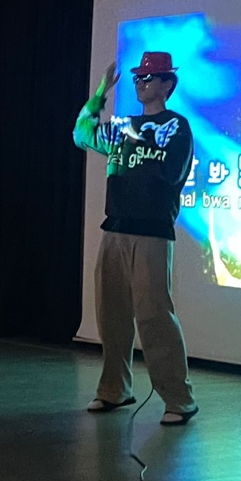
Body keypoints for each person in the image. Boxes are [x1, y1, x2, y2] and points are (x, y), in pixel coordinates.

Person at [73, 51, 197, 425]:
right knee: (111, 314)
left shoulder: (177, 126)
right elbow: (81, 134)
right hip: (115, 227)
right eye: (138, 78)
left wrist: (139, 152)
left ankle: (178, 399)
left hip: (152, 230)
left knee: (154, 314)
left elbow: (172, 174)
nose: (141, 83)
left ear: (167, 84)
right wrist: (99, 95)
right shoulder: (123, 124)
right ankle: (114, 389)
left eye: (149, 78)